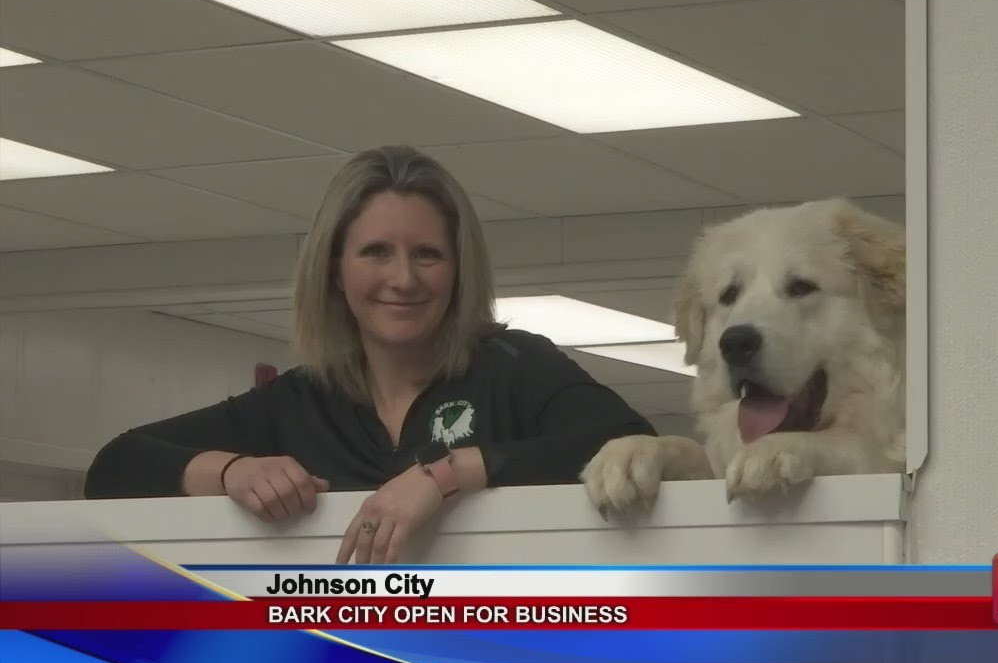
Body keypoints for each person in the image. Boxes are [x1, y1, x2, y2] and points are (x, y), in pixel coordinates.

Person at [83, 145, 656, 564]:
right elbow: (115, 467)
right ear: (335, 268)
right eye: (376, 252)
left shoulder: (515, 367)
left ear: (460, 269)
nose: (402, 279)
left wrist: (447, 476)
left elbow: (631, 445)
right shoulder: (299, 400)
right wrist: (234, 471)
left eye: (428, 254)